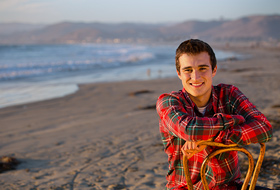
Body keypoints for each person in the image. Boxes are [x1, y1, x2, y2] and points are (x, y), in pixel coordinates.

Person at [156, 39, 273, 190]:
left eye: (203, 68)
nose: (196, 77)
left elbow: (264, 128)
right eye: (188, 70)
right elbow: (190, 129)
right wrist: (234, 120)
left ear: (214, 69)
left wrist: (216, 138)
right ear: (179, 73)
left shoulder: (229, 94)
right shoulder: (168, 102)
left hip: (231, 186)